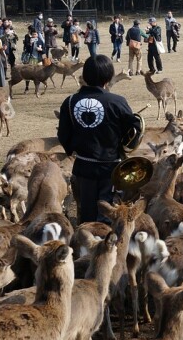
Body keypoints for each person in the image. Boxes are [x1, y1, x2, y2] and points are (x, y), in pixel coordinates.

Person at [57, 55, 142, 224]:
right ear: (109, 76)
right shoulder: (117, 101)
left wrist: (72, 149)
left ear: (86, 76)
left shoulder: (70, 102)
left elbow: (63, 135)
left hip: (82, 168)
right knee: (109, 217)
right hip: (112, 169)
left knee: (86, 216)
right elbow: (135, 129)